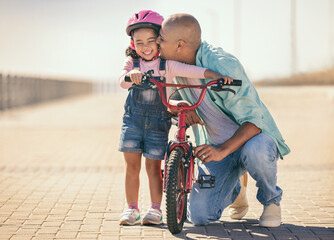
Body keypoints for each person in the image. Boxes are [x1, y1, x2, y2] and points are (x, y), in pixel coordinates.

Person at [156, 13, 290, 227]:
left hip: (251, 139)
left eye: (161, 38)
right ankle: (235, 191)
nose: (157, 42)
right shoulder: (173, 64)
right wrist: (181, 107)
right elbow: (169, 95)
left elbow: (254, 122)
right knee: (199, 216)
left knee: (256, 151)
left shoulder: (222, 66)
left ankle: (271, 201)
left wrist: (222, 150)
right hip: (217, 147)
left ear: (179, 45)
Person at [118, 10, 233, 226]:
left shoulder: (166, 65)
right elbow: (122, 82)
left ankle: (155, 209)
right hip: (132, 122)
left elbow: (193, 70)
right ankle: (131, 208)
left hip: (157, 124)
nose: (146, 46)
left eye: (151, 40)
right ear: (132, 43)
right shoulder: (132, 64)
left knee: (154, 167)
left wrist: (216, 76)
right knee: (131, 166)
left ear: (159, 41)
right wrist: (130, 76)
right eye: (139, 41)